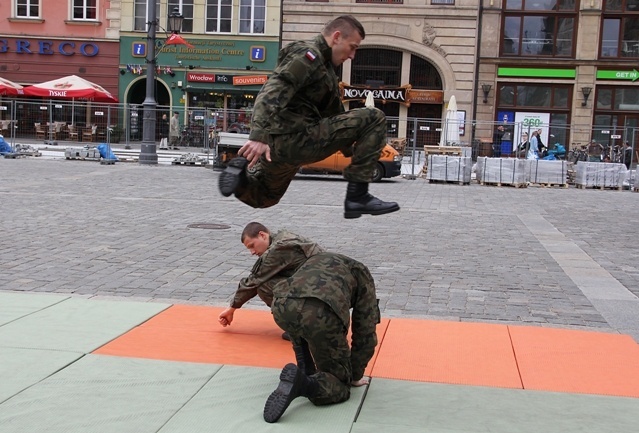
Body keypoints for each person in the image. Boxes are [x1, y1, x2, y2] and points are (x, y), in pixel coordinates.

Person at [218, 15, 399, 219]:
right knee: (374, 116)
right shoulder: (308, 54)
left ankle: (240, 177)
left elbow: (335, 115)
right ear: (337, 37)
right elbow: (273, 91)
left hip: (281, 149)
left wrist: (353, 148)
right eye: (353, 47)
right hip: (297, 138)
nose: (352, 56)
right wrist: (258, 135)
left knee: (265, 197)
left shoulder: (326, 68)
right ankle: (358, 195)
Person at [263, 251, 380, 423]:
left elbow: (297, 293)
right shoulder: (363, 274)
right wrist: (354, 375)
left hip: (281, 305)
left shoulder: (315, 258)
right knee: (340, 386)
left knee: (299, 319)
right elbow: (365, 331)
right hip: (319, 313)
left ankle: (304, 369)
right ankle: (304, 385)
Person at [217, 222, 324, 337]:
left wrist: (231, 309)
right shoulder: (283, 236)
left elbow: (255, 280)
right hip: (325, 288)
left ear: (262, 235)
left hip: (320, 292)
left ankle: (301, 329)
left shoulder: (278, 249)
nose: (252, 252)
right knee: (268, 279)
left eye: (252, 245)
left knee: (264, 286)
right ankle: (313, 322)